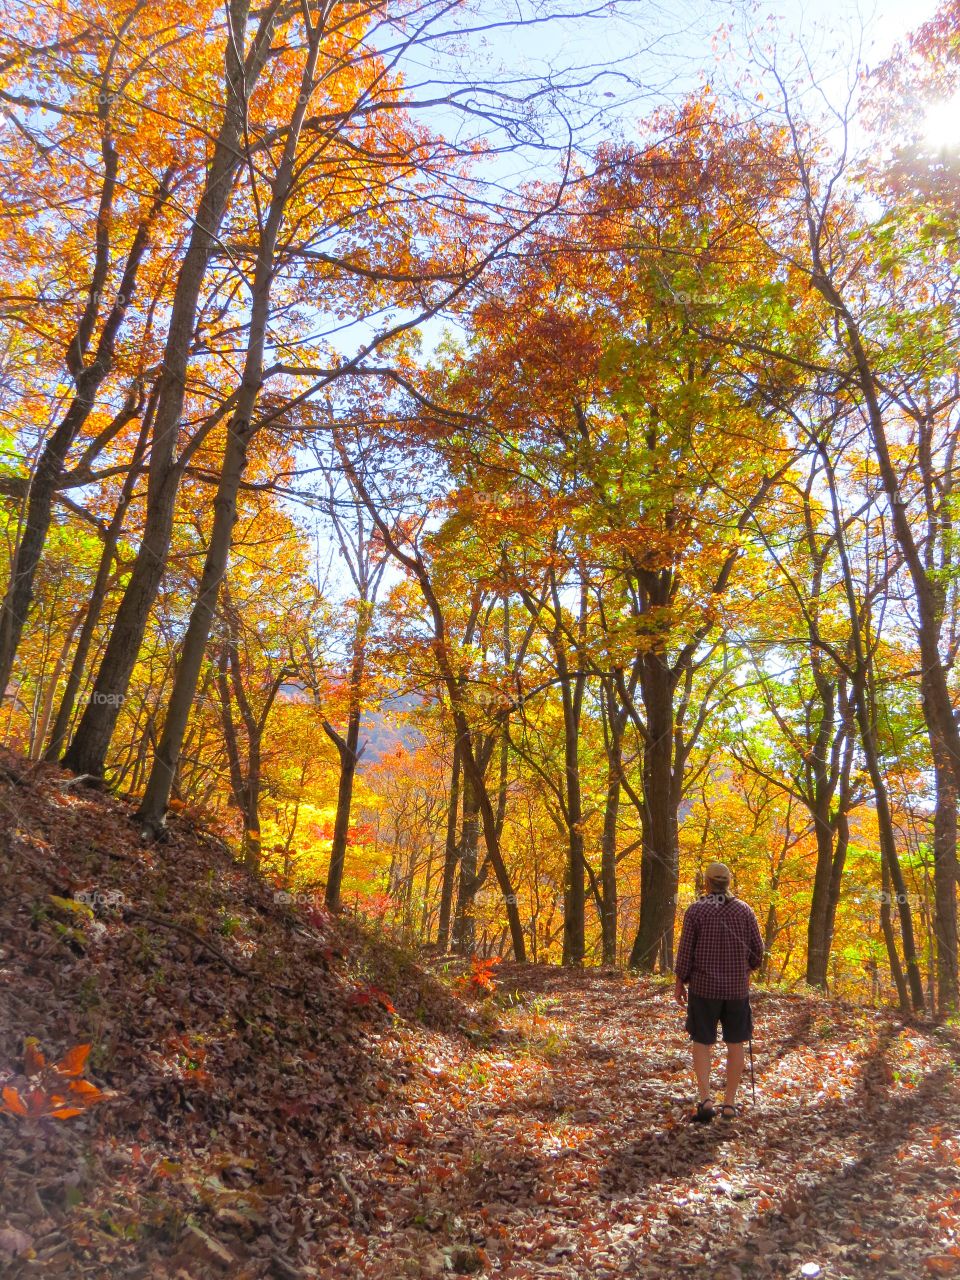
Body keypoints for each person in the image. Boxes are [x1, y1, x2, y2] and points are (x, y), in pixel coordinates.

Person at [674, 861, 764, 1123]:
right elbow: (758, 952)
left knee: (702, 1042)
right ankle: (729, 1104)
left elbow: (685, 952)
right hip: (736, 990)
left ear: (707, 883)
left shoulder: (696, 911)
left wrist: (680, 981)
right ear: (729, 882)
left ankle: (705, 1100)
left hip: (703, 989)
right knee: (735, 1043)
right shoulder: (745, 911)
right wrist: (745, 969)